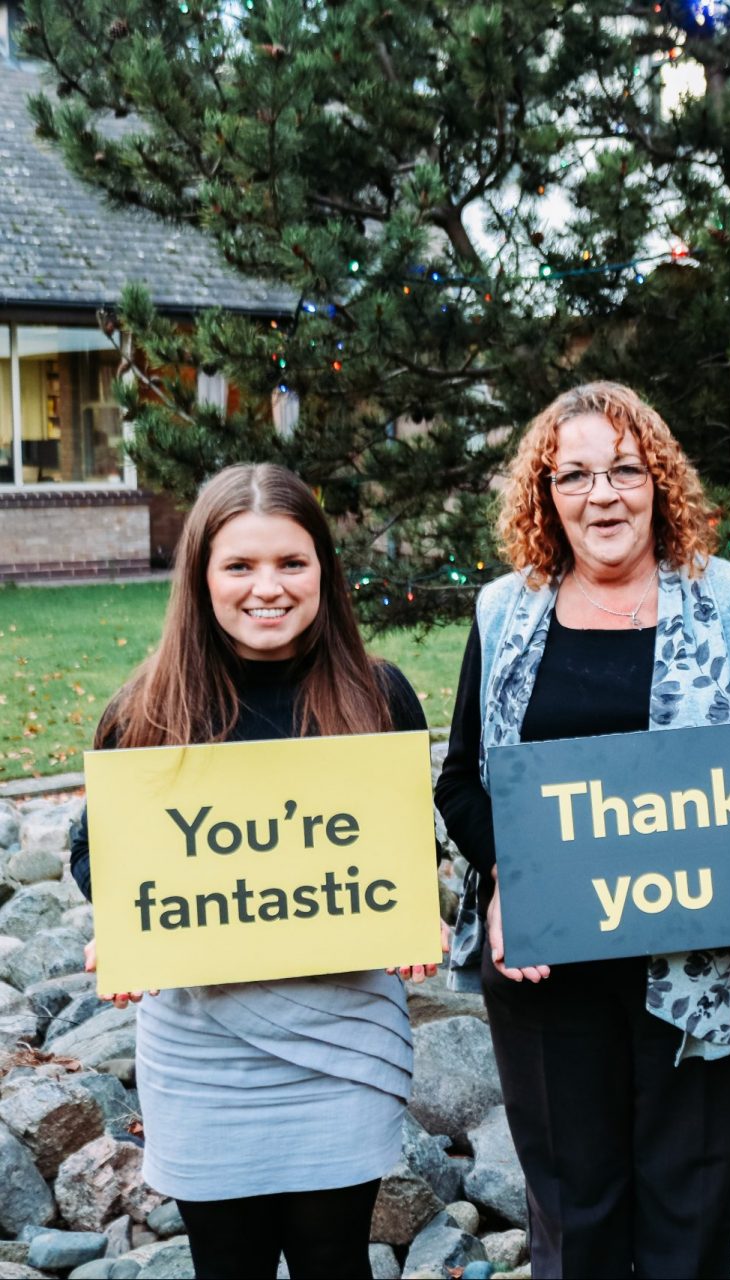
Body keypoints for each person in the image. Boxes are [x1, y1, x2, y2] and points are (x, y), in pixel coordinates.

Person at [435, 381, 730, 1279]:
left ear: (660, 483)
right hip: (549, 962)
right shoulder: (504, 612)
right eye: (574, 475)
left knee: (689, 1215)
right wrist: (511, 883)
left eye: (623, 470)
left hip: (698, 958)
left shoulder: (729, 602)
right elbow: (461, 780)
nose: (601, 495)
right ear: (545, 494)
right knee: (577, 1217)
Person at [70, 463, 437, 1280]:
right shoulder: (148, 708)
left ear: (323, 574)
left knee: (334, 1261)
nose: (266, 587)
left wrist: (418, 909)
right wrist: (124, 926)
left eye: (290, 563)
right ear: (201, 577)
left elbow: (406, 841)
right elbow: (94, 848)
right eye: (239, 565)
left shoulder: (377, 697)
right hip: (204, 1046)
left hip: (341, 1038)